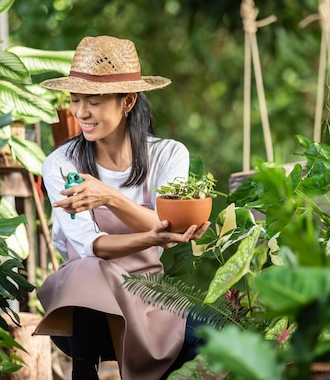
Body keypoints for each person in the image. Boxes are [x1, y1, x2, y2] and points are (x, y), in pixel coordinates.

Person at [34, 35, 209, 380]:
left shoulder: (169, 155)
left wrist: (109, 197)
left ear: (127, 101)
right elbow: (94, 245)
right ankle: (83, 370)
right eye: (75, 100)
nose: (81, 112)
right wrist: (155, 233)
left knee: (215, 340)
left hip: (148, 298)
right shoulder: (61, 164)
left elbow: (171, 230)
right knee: (89, 268)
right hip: (83, 313)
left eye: (94, 101)